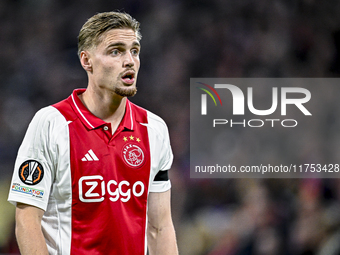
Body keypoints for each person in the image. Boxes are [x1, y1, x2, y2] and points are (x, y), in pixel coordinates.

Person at [8, 11, 178, 255]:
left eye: (134, 50)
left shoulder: (154, 129)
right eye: (116, 51)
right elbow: (27, 220)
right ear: (86, 60)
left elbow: (159, 228)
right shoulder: (50, 123)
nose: (129, 60)